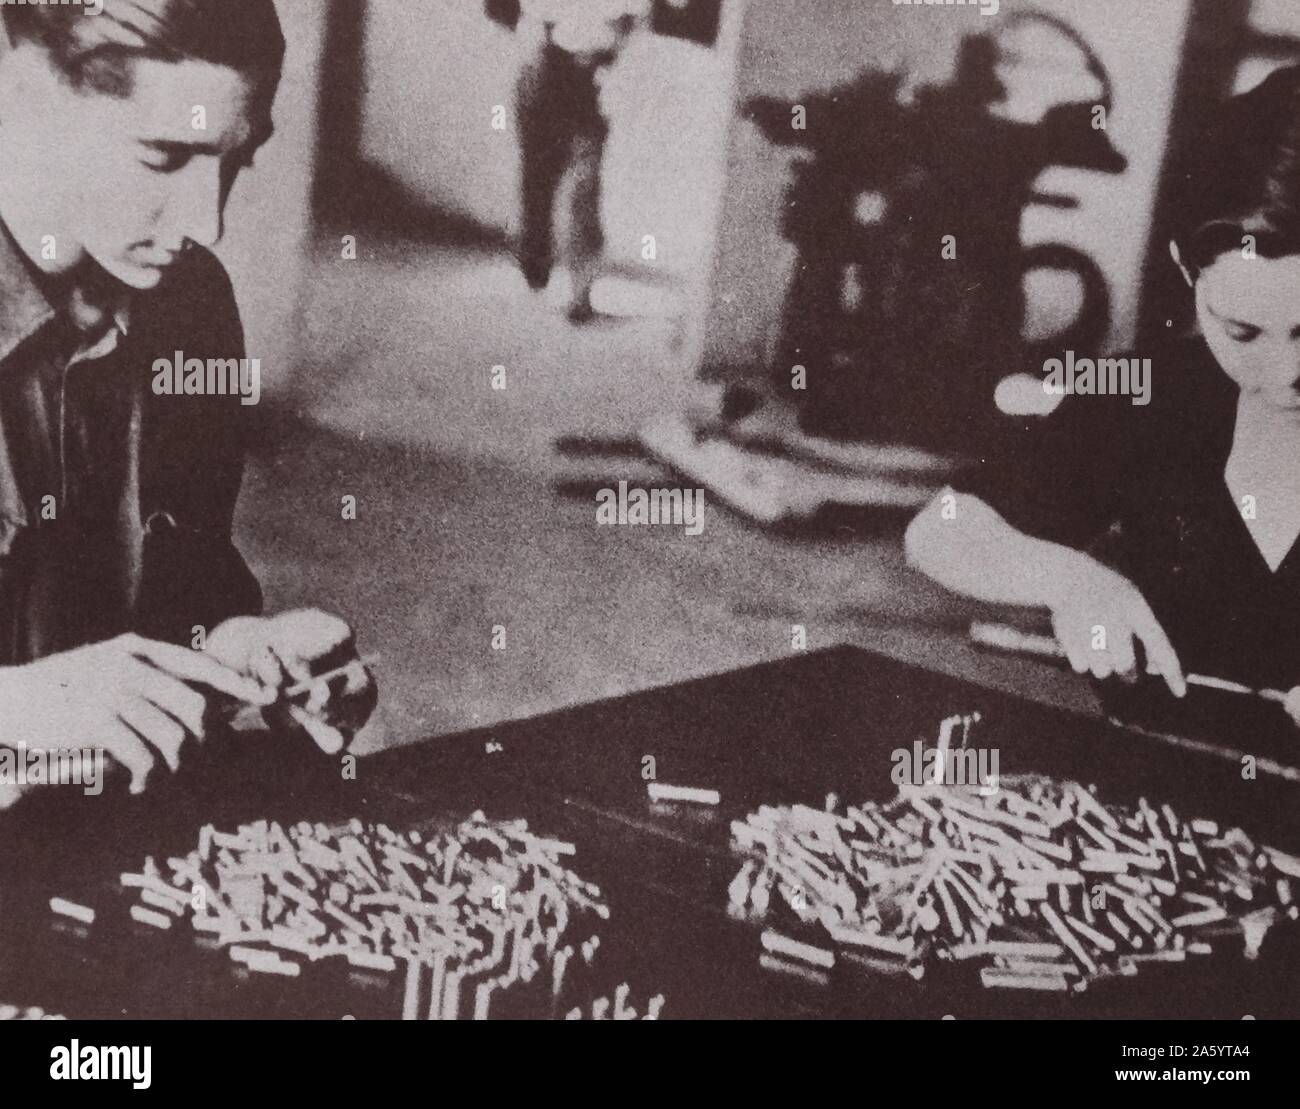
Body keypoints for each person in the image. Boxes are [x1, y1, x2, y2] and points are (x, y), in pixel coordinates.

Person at [0, 0, 375, 807]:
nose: (207, 221)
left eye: (236, 161)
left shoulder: (190, 307)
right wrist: (18, 711)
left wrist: (239, 653)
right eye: (163, 156)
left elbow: (182, 588)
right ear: (23, 85)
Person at [906, 65, 1300, 737]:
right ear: (1187, 273)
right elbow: (940, 526)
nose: (1286, 371)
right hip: (1163, 807)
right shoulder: (1157, 389)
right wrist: (1067, 578)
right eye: (1243, 331)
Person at [513, 0, 648, 322]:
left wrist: (611, 51)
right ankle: (537, 267)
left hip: (589, 89)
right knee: (537, 189)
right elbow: (528, 19)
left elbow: (630, 26)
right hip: (545, 77)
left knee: (583, 194)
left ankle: (580, 294)